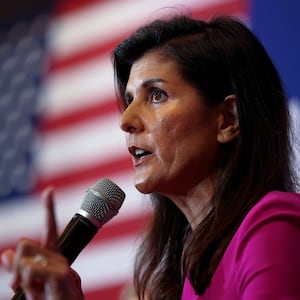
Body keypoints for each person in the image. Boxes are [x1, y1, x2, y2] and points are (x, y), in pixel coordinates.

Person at [1, 13, 300, 300]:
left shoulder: (271, 226)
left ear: (228, 120)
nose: (126, 120)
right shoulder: (189, 276)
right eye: (129, 100)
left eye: (156, 95)